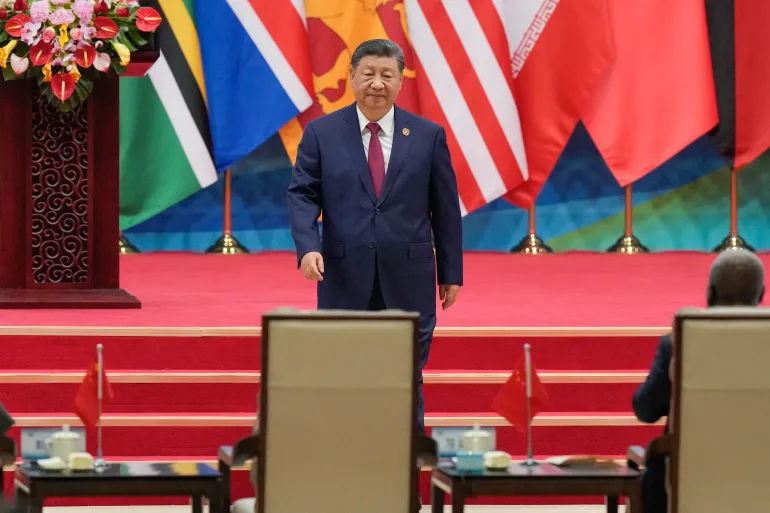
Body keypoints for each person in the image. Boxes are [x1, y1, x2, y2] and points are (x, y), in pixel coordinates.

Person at [287, 39, 463, 438]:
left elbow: (445, 208)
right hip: (344, 277)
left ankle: (403, 483)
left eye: (387, 75)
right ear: (351, 77)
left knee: (405, 381)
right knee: (342, 379)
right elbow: (302, 194)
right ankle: (348, 473)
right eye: (368, 74)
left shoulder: (427, 135)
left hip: (410, 281)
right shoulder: (321, 132)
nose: (377, 84)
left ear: (401, 81)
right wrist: (308, 247)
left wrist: (451, 273)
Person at [632, 247, 765, 513]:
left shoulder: (679, 345)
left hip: (683, 485)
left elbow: (645, 409)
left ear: (710, 293)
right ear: (761, 295)